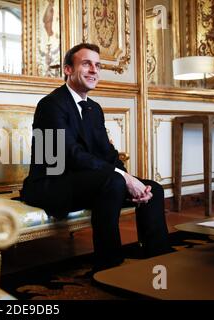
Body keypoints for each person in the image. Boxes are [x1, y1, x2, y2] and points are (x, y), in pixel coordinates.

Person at [21, 43, 172, 272]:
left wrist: (133, 180)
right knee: (113, 182)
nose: (94, 70)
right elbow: (69, 155)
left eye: (97, 65)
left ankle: (158, 260)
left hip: (87, 184)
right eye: (86, 64)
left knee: (153, 190)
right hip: (51, 184)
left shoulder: (94, 109)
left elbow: (107, 154)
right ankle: (109, 266)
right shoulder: (51, 105)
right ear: (68, 70)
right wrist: (123, 178)